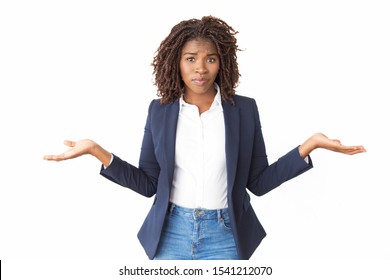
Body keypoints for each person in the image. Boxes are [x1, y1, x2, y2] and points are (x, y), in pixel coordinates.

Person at [43, 16, 366, 260]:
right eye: (191, 58)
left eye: (210, 58)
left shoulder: (243, 110)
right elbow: (149, 184)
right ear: (177, 63)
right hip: (170, 233)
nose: (201, 68)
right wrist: (98, 152)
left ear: (222, 62)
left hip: (227, 235)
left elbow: (259, 182)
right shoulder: (160, 110)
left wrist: (309, 145)